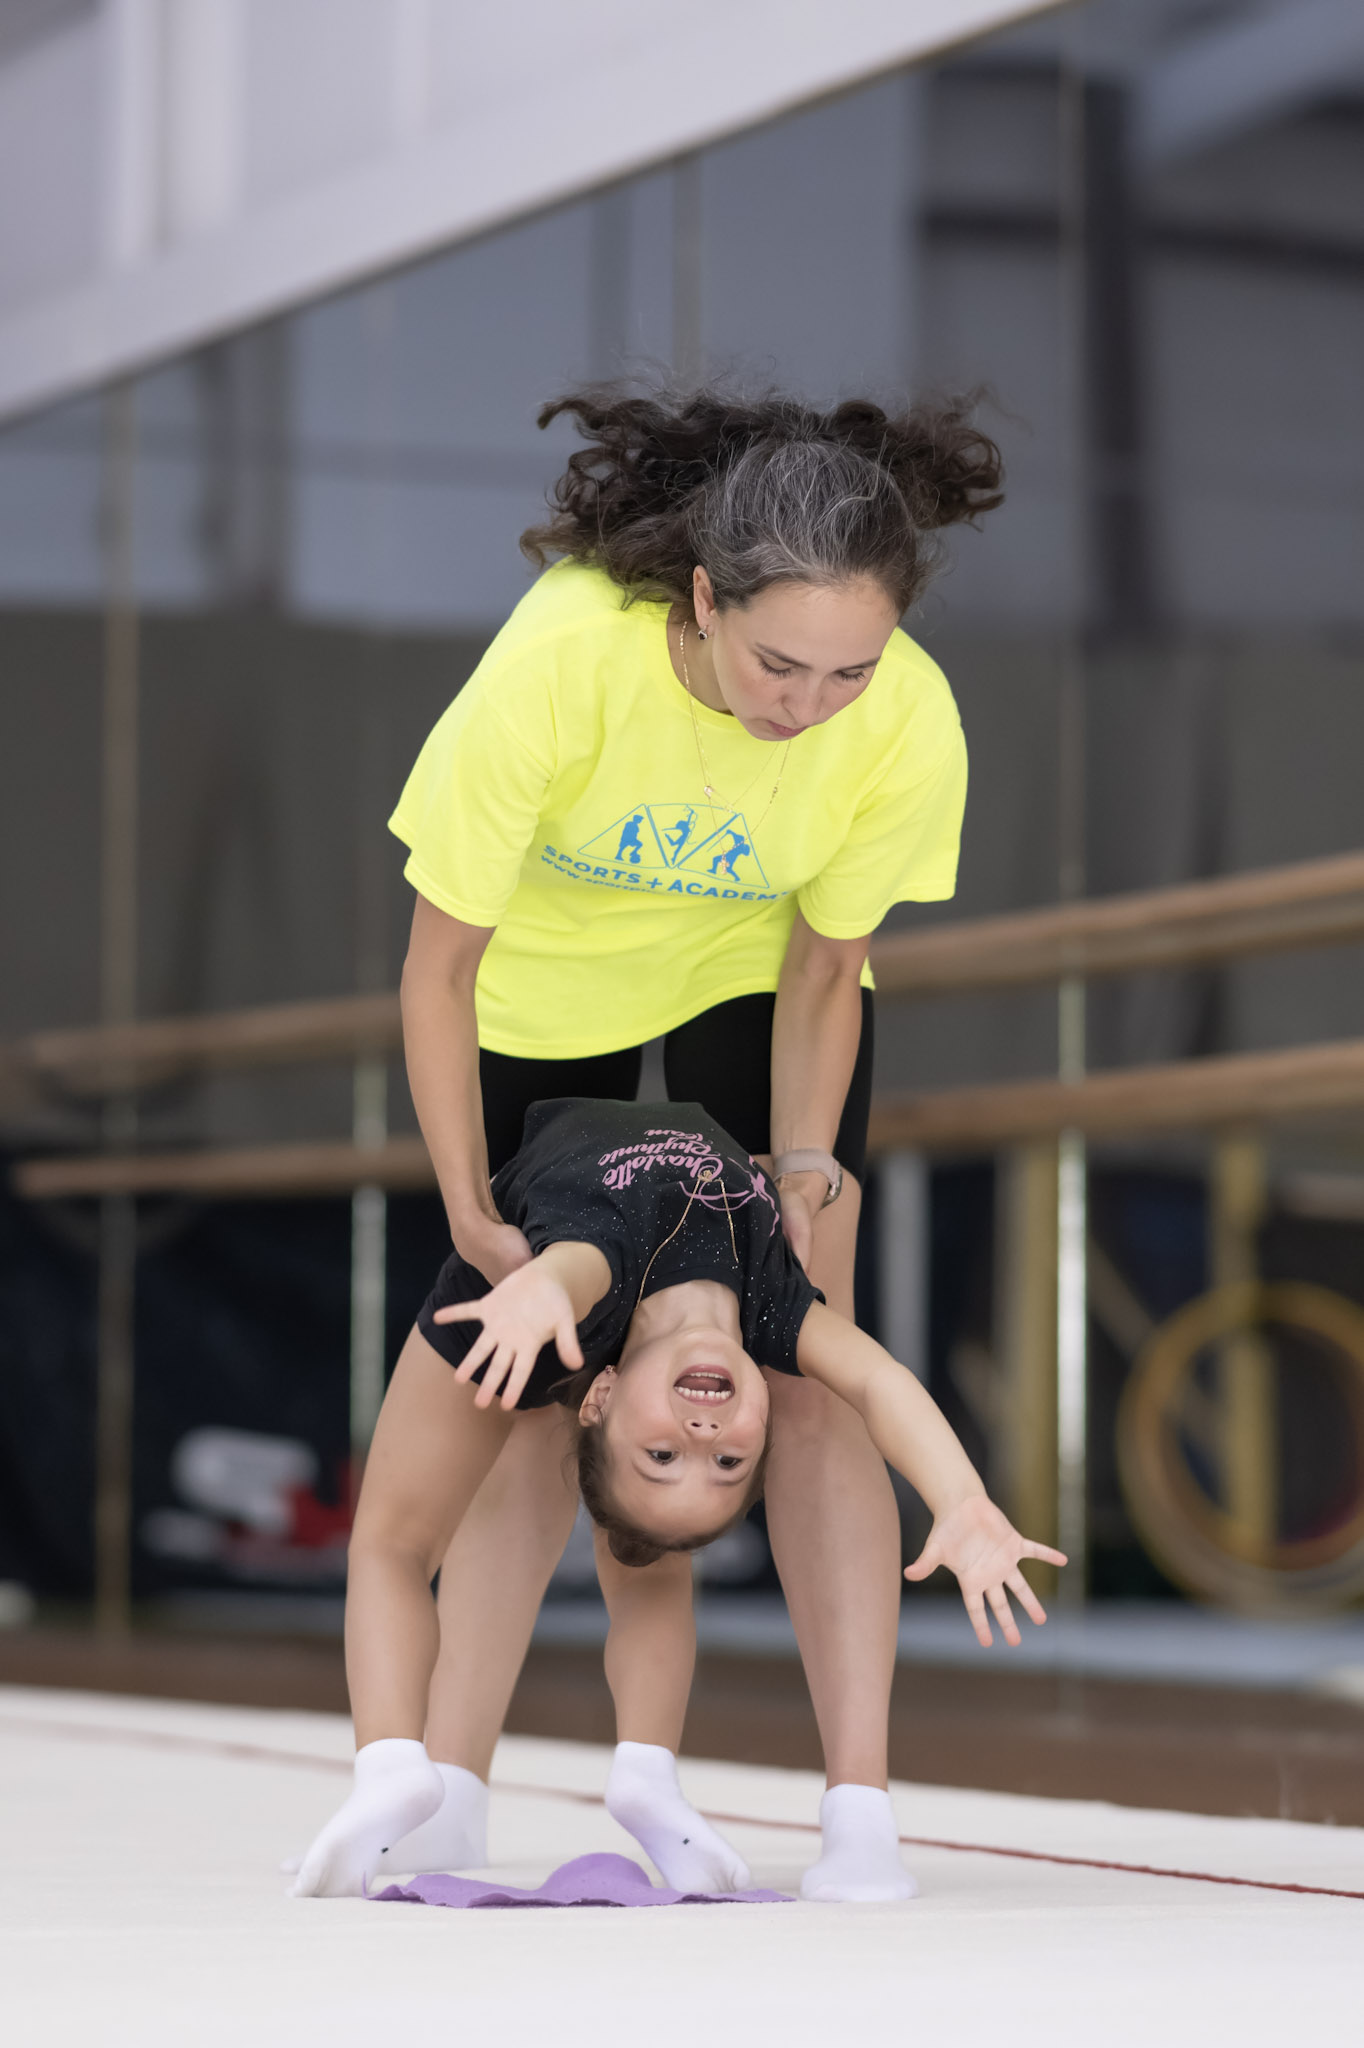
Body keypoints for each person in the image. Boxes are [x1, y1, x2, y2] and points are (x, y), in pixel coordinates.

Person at [381, 383, 1004, 1900]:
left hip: (750, 980)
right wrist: (469, 1205)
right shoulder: (562, 661)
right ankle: (448, 1787)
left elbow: (819, 967)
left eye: (847, 671)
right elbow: (438, 967)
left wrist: (803, 1178)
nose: (807, 705)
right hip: (545, 989)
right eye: (778, 663)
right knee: (538, 1379)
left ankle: (857, 1802)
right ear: (703, 598)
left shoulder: (904, 719)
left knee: (810, 1365)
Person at [290, 1098, 1064, 1900]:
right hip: (551, 1299)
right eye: (729, 1460)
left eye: (662, 1454)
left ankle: (388, 1764)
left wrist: (543, 1288)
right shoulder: (773, 1307)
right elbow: (876, 1381)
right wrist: (960, 1497)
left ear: (600, 1395)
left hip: (512, 1301)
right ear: (764, 1417)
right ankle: (647, 1769)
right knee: (651, 1550)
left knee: (389, 1543)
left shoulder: (600, 1289)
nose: (701, 1434)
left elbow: (585, 1261)